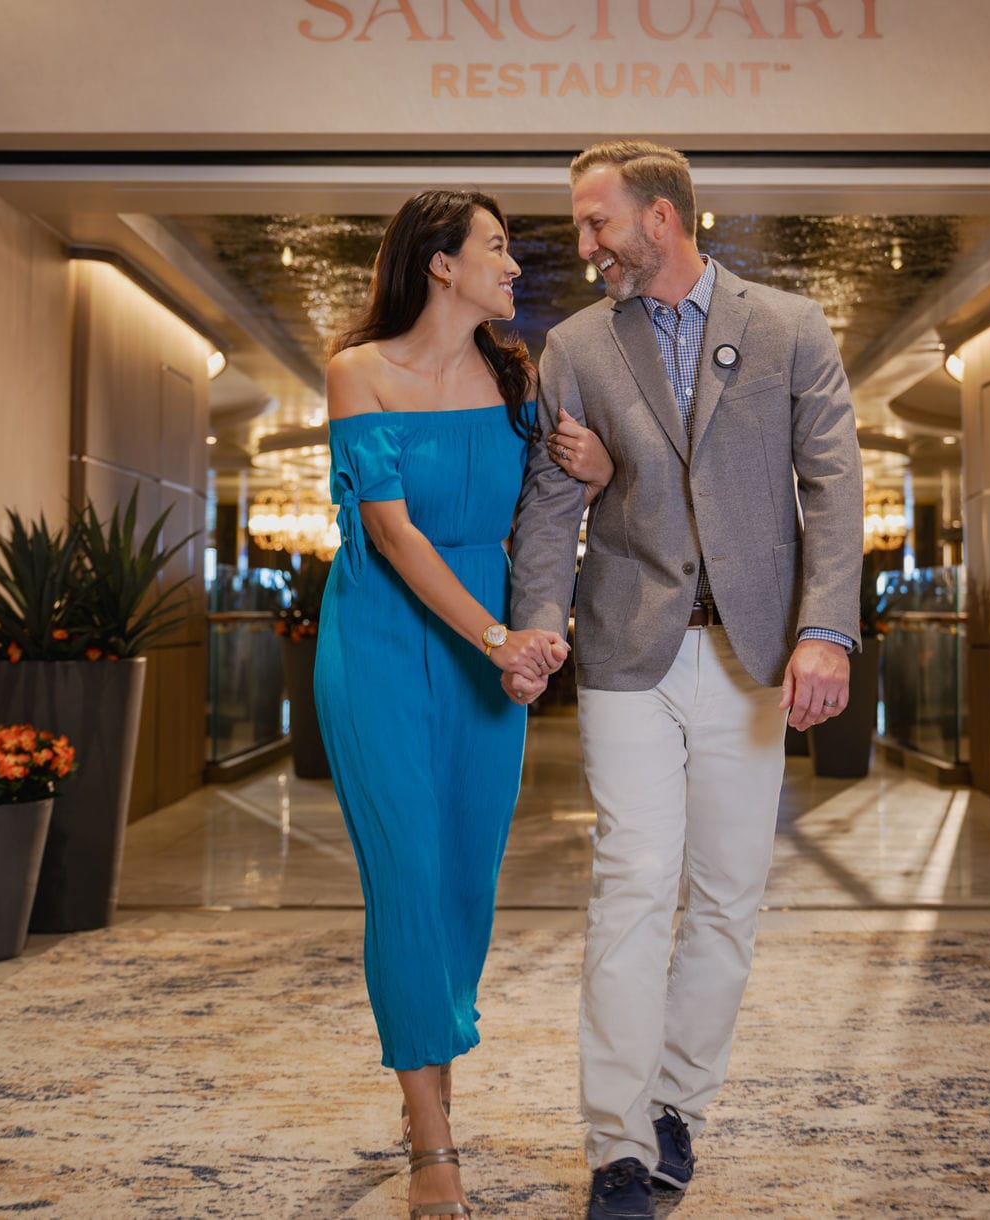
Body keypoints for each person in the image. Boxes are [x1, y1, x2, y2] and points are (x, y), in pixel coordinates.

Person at [504, 141, 864, 1220]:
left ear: (660, 219)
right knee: (631, 879)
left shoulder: (790, 328)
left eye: (595, 223)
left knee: (725, 896)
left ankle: (674, 1104)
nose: (582, 245)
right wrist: (533, 624)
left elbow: (832, 491)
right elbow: (550, 508)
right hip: (626, 650)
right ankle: (616, 1142)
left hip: (751, 656)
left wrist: (826, 632)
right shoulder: (572, 345)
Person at [314, 189, 612, 1219]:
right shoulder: (358, 369)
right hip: (385, 640)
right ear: (438, 263)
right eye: (495, 248)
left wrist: (598, 467)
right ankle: (431, 1140)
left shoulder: (515, 372)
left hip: (493, 652)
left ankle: (424, 1072)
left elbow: (551, 504)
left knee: (463, 882)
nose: (514, 266)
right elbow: (393, 534)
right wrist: (493, 637)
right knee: (404, 873)